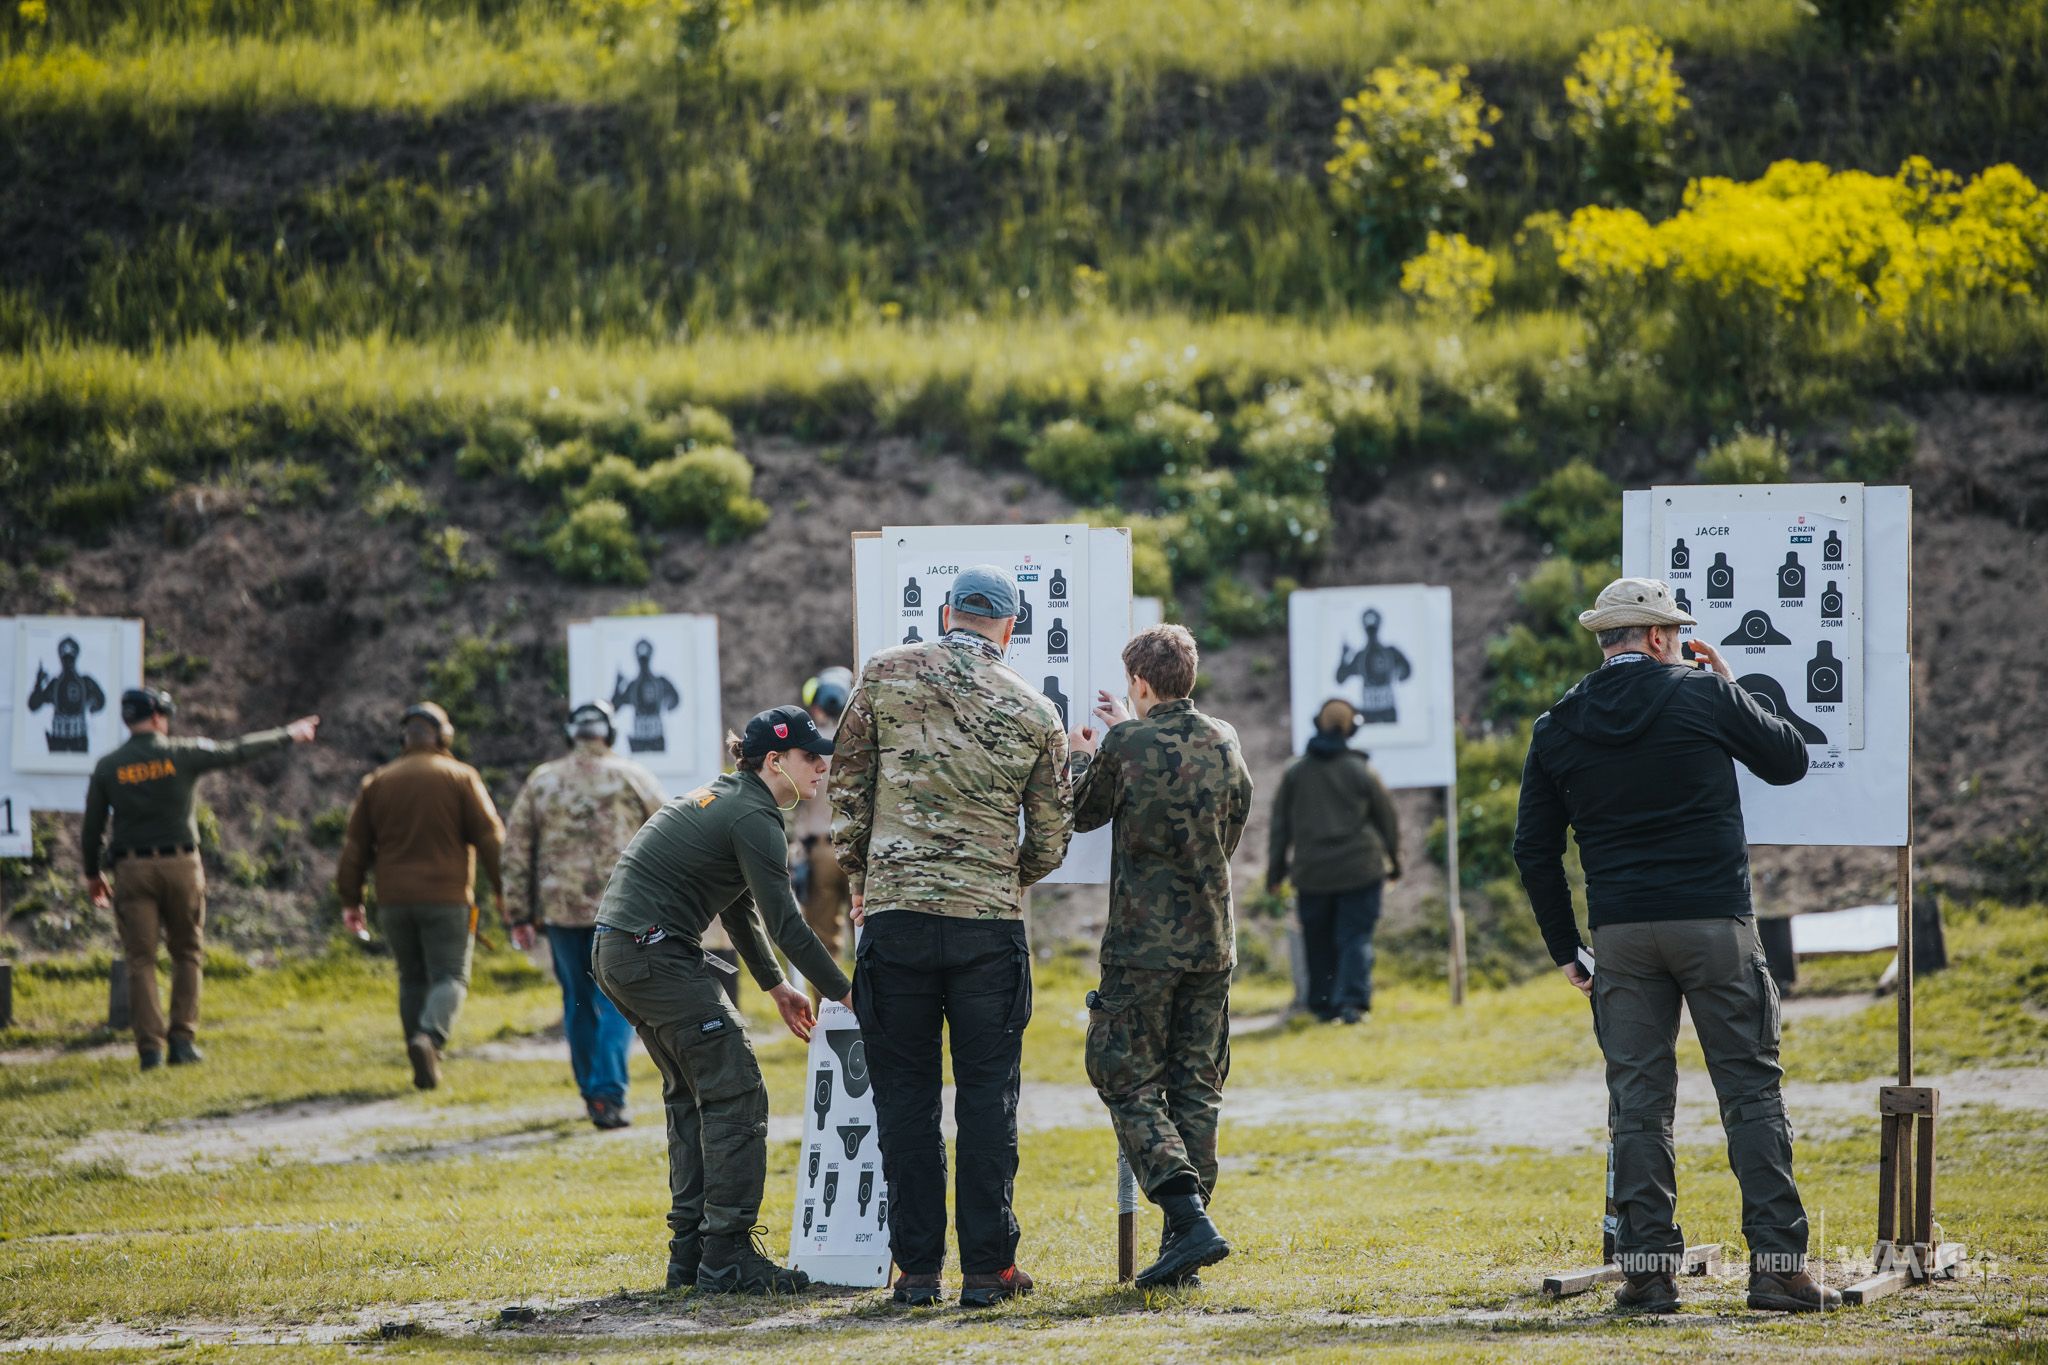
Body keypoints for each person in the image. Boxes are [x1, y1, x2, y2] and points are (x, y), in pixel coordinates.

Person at [1511, 577, 1840, 1314]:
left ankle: (1649, 1273)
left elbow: (1532, 849)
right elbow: (1787, 759)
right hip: (1714, 923)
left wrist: (1567, 946)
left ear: (1608, 641)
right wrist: (1729, 683)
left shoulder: (1558, 724)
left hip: (1623, 933)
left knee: (1638, 1105)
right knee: (1751, 1092)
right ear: (1661, 638)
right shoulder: (1701, 694)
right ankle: (1778, 1269)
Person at [831, 564, 1073, 1308]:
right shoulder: (1035, 708)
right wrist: (1005, 874)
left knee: (904, 1100)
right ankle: (989, 1270)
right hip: (987, 930)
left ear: (945, 612)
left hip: (896, 920)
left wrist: (865, 873)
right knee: (987, 1100)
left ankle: (917, 1271)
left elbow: (845, 789)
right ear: (1010, 625)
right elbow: (1053, 834)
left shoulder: (882, 674)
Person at [592, 705, 851, 1295]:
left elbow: (738, 905)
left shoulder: (730, 798)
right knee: (736, 1086)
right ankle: (728, 1254)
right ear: (775, 761)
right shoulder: (755, 816)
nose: (822, 767)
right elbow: (789, 925)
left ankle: (691, 1255)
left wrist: (776, 986)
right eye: (812, 757)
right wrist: (846, 993)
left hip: (623, 951)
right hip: (651, 951)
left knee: (693, 1094)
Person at [1068, 624, 1254, 1289]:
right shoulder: (1223, 737)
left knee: (1119, 1068)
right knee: (1196, 1081)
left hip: (1143, 945)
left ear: (1139, 684)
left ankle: (1184, 1211)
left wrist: (1079, 754)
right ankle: (1187, 1235)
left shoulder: (1125, 742)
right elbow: (1235, 815)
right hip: (1212, 939)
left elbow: (1082, 812)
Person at [81, 688, 319, 1070]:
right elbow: (236, 749)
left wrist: (93, 874)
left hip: (131, 870)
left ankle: (150, 1050)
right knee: (187, 952)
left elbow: (92, 827)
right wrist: (288, 733)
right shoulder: (183, 753)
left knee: (140, 959)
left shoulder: (109, 766)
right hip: (181, 865)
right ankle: (181, 1041)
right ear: (158, 716)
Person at [501, 700, 665, 1130]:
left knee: (576, 1003)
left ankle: (591, 1094)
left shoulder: (542, 780)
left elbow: (516, 850)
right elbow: (669, 835)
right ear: (608, 733)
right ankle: (609, 1092)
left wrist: (518, 912)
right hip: (621, 911)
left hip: (560, 913)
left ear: (571, 733)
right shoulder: (634, 777)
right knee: (617, 999)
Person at [338, 702, 506, 1092]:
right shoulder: (461, 777)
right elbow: (489, 837)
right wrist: (503, 890)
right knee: (451, 976)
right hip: (447, 898)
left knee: (411, 978)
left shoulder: (376, 781)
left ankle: (422, 1059)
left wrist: (351, 899)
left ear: (404, 738)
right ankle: (429, 1038)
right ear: (443, 737)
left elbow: (354, 848)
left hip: (393, 901)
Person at [1265, 698, 1403, 1023]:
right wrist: (1395, 864)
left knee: (1318, 942)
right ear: (1351, 728)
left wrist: (1275, 873)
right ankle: (1353, 1005)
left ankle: (1323, 1007)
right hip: (1362, 870)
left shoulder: (1296, 772)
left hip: (1313, 873)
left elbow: (1279, 826)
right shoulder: (1361, 770)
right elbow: (1389, 820)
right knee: (1355, 937)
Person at [791, 667, 856, 979]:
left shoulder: (806, 749)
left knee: (822, 949)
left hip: (819, 852)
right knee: (874, 943)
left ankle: (829, 1022)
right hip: (860, 853)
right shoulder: (862, 744)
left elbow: (792, 805)